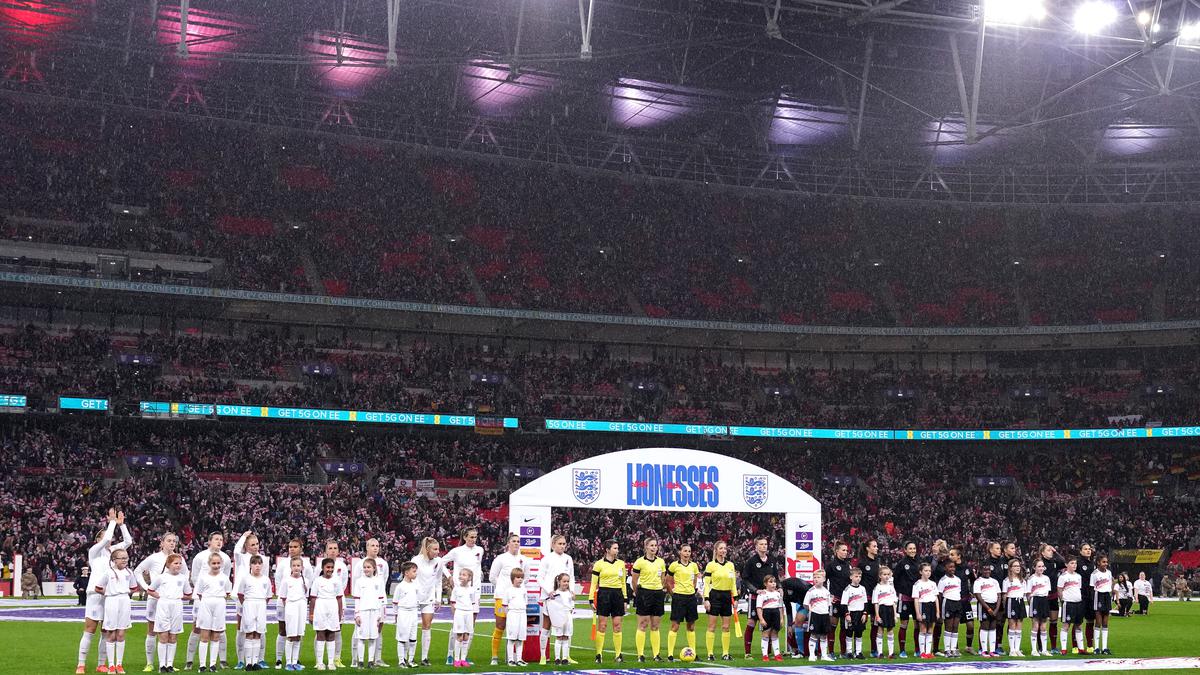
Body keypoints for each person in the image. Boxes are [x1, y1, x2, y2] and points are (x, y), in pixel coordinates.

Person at [78, 509, 133, 675]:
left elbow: (128, 541)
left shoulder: (113, 553)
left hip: (110, 596)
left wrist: (121, 525)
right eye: (103, 538)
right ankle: (81, 664)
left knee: (106, 631)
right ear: (97, 540)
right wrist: (112, 522)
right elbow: (108, 537)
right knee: (90, 629)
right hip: (95, 594)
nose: (109, 540)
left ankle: (102, 663)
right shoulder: (94, 553)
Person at [133, 532, 179, 673]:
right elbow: (137, 571)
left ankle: (167, 663)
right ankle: (150, 663)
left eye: (174, 541)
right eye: (169, 541)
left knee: (171, 631)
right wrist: (147, 588)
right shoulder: (154, 558)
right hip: (155, 599)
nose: (172, 543)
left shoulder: (178, 559)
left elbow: (185, 574)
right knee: (152, 630)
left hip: (171, 600)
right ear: (162, 543)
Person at [186, 533, 230, 671]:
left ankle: (221, 660)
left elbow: (226, 579)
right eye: (216, 539)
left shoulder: (226, 558)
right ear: (209, 541)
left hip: (217, 598)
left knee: (219, 630)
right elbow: (194, 577)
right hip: (203, 598)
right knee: (197, 628)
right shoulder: (200, 557)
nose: (219, 542)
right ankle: (190, 660)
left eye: (221, 540)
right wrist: (204, 592)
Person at [442, 528, 484, 666]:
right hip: (459, 592)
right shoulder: (457, 551)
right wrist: (449, 576)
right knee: (457, 625)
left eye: (475, 537)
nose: (473, 539)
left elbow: (477, 570)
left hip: (474, 591)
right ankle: (450, 654)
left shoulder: (480, 550)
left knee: (470, 625)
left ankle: (464, 657)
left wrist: (478, 586)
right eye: (471, 537)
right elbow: (440, 562)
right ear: (465, 537)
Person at [487, 534, 530, 666]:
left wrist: (516, 590)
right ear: (508, 543)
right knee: (500, 626)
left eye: (518, 541)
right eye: (513, 541)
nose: (516, 543)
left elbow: (526, 578)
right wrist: (504, 590)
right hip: (502, 597)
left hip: (517, 600)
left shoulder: (524, 560)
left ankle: (516, 658)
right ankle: (494, 656)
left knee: (516, 629)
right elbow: (492, 577)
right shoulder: (501, 558)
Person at [147, 553, 193, 672]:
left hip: (177, 606)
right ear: (168, 564)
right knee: (163, 636)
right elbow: (150, 590)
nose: (178, 565)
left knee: (173, 637)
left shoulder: (183, 578)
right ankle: (162, 665)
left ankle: (170, 664)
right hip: (163, 606)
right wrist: (161, 596)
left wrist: (177, 597)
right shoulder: (161, 577)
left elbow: (188, 594)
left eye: (180, 563)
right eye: (175, 563)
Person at [95, 548, 137, 675]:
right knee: (111, 633)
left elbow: (134, 587)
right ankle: (111, 665)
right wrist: (109, 593)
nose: (125, 560)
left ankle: (119, 664)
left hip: (124, 601)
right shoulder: (108, 573)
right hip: (111, 601)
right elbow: (98, 587)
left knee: (121, 633)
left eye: (126, 558)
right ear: (114, 560)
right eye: (122, 558)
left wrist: (124, 593)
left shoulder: (129, 572)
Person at [741, 536, 783, 659]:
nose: (764, 546)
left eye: (765, 544)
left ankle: (769, 652)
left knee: (770, 625)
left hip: (770, 598)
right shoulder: (751, 561)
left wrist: (779, 587)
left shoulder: (772, 560)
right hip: (756, 597)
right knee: (751, 622)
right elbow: (745, 579)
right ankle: (747, 652)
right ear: (756, 547)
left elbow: (776, 577)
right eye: (761, 544)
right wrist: (756, 590)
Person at [273, 539, 313, 670]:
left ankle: (296, 660)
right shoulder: (283, 564)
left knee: (298, 632)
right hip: (285, 601)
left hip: (299, 603)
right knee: (283, 630)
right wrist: (284, 599)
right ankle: (279, 659)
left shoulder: (306, 564)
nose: (292, 549)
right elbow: (278, 581)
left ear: (301, 548)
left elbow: (308, 583)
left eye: (295, 547)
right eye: (290, 546)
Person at [350, 538, 390, 668]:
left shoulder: (383, 563)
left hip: (379, 602)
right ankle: (356, 659)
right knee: (359, 632)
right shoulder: (360, 563)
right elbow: (356, 580)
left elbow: (383, 581)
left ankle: (376, 659)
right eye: (372, 545)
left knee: (378, 630)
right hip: (364, 604)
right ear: (367, 547)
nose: (375, 548)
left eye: (377, 545)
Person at [232, 533, 269, 670]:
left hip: (258, 598)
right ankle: (241, 660)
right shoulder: (241, 558)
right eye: (252, 544)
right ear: (246, 546)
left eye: (257, 544)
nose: (255, 547)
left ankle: (260, 659)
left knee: (260, 629)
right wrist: (243, 536)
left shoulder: (263, 559)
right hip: (242, 597)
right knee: (242, 628)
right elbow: (236, 550)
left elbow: (264, 579)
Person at [537, 535, 574, 665]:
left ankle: (566, 656)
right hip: (550, 597)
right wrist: (549, 591)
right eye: (559, 543)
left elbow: (572, 577)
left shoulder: (568, 559)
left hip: (565, 597)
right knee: (546, 626)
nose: (562, 546)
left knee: (566, 626)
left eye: (564, 544)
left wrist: (572, 591)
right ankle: (542, 656)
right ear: (553, 544)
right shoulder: (546, 559)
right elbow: (539, 578)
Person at [193, 553, 231, 673]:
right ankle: (203, 665)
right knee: (204, 635)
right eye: (213, 563)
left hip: (219, 604)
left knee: (216, 636)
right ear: (209, 564)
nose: (216, 565)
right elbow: (199, 593)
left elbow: (228, 592)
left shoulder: (224, 578)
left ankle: (213, 664)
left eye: (218, 563)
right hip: (206, 604)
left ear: (221, 564)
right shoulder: (203, 577)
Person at [631, 536, 667, 662]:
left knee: (655, 625)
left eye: (655, 546)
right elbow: (634, 581)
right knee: (643, 624)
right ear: (646, 547)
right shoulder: (639, 562)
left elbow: (663, 578)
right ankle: (640, 655)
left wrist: (659, 588)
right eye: (651, 545)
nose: (654, 548)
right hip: (644, 593)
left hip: (657, 594)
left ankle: (656, 655)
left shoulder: (661, 562)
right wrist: (639, 593)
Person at [591, 539, 627, 663]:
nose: (617, 550)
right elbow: (593, 584)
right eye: (614, 548)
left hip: (617, 595)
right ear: (607, 550)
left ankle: (618, 655)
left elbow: (623, 583)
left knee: (617, 625)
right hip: (604, 594)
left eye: (617, 548)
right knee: (602, 625)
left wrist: (625, 599)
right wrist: (591, 599)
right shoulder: (599, 564)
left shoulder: (621, 564)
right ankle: (599, 654)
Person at [410, 537, 444, 667]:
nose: (437, 552)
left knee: (427, 626)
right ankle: (409, 658)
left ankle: (424, 657)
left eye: (438, 549)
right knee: (411, 627)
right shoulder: (416, 560)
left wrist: (438, 598)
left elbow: (438, 580)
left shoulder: (439, 561)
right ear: (427, 549)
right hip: (415, 597)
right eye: (435, 549)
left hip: (429, 598)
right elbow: (410, 577)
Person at [702, 540, 738, 661]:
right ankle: (710, 654)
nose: (723, 550)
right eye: (721, 548)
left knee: (726, 626)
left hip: (727, 597)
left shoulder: (730, 565)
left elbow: (733, 583)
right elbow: (706, 584)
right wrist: (706, 599)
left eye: (725, 548)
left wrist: (735, 597)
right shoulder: (711, 565)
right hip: (715, 596)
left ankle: (725, 653)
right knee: (712, 626)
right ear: (716, 550)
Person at [666, 543, 700, 661]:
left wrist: (692, 591)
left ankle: (693, 653)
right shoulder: (674, 565)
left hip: (690, 598)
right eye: (685, 551)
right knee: (675, 626)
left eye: (689, 551)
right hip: (679, 598)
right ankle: (670, 654)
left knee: (691, 626)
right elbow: (668, 581)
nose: (687, 553)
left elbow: (695, 581)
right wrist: (673, 595)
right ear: (680, 552)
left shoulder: (694, 566)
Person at [309, 557, 345, 671]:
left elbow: (339, 598)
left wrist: (340, 613)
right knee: (320, 633)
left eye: (331, 567)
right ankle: (319, 662)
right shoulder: (317, 581)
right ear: (323, 568)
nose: (330, 569)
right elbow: (313, 598)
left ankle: (330, 662)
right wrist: (311, 614)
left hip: (333, 607)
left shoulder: (337, 581)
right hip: (320, 607)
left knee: (331, 634)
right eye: (328, 567)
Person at [318, 541, 350, 669]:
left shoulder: (342, 566)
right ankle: (318, 660)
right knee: (320, 631)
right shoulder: (320, 566)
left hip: (338, 601)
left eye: (335, 548)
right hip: (323, 602)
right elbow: (317, 582)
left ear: (338, 551)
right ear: (326, 551)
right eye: (330, 548)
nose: (332, 550)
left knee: (337, 630)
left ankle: (336, 659)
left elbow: (344, 584)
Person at [280, 557, 309, 671]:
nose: (296, 568)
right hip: (291, 607)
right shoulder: (286, 580)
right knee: (291, 635)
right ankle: (288, 662)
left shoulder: (305, 580)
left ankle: (295, 661)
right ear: (291, 567)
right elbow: (283, 597)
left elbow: (306, 594)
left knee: (298, 635)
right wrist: (289, 608)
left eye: (298, 566)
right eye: (294, 566)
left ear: (302, 567)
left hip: (301, 607)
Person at [824, 542, 852, 657]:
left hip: (846, 601)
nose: (846, 552)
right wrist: (828, 595)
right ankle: (830, 652)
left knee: (844, 627)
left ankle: (843, 652)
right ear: (837, 551)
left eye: (846, 550)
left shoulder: (848, 565)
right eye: (843, 550)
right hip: (835, 600)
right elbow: (824, 581)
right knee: (832, 626)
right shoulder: (830, 565)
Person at [893, 542, 920, 658]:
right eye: (910, 549)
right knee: (904, 624)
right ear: (905, 550)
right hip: (905, 598)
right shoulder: (902, 563)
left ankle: (917, 649)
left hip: (917, 599)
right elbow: (895, 579)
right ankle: (902, 650)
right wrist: (901, 591)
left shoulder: (920, 562)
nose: (912, 550)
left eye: (914, 548)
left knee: (917, 624)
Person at [1037, 543, 1065, 653]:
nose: (1051, 552)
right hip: (1043, 596)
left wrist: (1056, 551)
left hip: (1053, 595)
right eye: (1048, 550)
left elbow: (1063, 562)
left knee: (1054, 621)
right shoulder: (1040, 564)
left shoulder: (1055, 562)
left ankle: (1053, 647)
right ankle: (1040, 647)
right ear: (1042, 553)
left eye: (1051, 550)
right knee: (1041, 621)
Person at [393, 562, 421, 667]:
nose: (416, 573)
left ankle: (411, 659)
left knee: (413, 637)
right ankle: (401, 660)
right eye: (414, 571)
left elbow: (418, 598)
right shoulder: (400, 587)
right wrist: (396, 615)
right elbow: (395, 602)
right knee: (402, 638)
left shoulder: (415, 585)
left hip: (414, 612)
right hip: (403, 612)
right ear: (406, 573)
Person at [802, 569, 833, 662]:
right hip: (815, 615)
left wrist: (828, 614)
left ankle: (824, 655)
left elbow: (829, 604)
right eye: (814, 577)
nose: (816, 579)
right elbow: (805, 604)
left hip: (825, 615)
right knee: (814, 634)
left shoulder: (826, 592)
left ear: (824, 579)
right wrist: (811, 610)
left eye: (818, 577)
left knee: (824, 635)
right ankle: (812, 655)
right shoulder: (810, 591)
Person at [449, 568, 478, 667]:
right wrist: (455, 613)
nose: (461, 576)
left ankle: (463, 659)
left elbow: (473, 602)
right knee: (459, 636)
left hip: (469, 613)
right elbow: (453, 602)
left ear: (469, 578)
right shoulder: (456, 589)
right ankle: (456, 659)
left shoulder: (472, 590)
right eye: (460, 574)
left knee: (466, 636)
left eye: (464, 575)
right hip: (459, 613)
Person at [857, 539, 881, 657]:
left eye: (877, 546)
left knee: (875, 624)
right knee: (861, 624)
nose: (877, 548)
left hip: (876, 598)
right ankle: (858, 650)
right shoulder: (861, 563)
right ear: (868, 548)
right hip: (865, 598)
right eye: (874, 546)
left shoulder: (877, 561)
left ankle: (873, 650)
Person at [973, 560, 1001, 658]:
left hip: (994, 606)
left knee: (993, 627)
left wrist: (996, 609)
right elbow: (978, 596)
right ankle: (984, 650)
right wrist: (988, 609)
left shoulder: (994, 581)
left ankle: (992, 650)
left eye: (988, 569)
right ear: (981, 570)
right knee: (984, 627)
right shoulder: (978, 581)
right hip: (984, 606)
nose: (987, 571)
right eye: (984, 570)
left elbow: (999, 595)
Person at [546, 573, 575, 665]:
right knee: (559, 637)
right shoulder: (554, 593)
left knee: (566, 637)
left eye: (567, 581)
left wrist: (572, 606)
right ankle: (557, 658)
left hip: (567, 616)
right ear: (559, 582)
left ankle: (565, 658)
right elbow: (551, 606)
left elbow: (572, 605)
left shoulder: (570, 593)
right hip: (558, 617)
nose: (566, 583)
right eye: (564, 581)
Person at [1058, 557, 1085, 654]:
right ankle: (1063, 649)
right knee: (1066, 625)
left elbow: (1079, 588)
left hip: (1078, 602)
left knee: (1078, 625)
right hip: (1068, 603)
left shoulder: (1078, 576)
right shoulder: (1063, 577)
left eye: (1075, 563)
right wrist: (1063, 600)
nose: (1074, 565)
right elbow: (1059, 590)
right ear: (1066, 564)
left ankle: (1081, 648)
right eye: (1072, 563)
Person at [502, 568, 529, 666]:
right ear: (512, 578)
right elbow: (504, 605)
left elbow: (525, 603)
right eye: (518, 577)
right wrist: (508, 616)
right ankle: (510, 660)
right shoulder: (508, 591)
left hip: (522, 614)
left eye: (522, 577)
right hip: (512, 614)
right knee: (512, 638)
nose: (520, 579)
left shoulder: (524, 590)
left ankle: (519, 659)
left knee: (520, 638)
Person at [935, 560, 962, 658]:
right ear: (945, 568)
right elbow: (940, 595)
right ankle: (947, 650)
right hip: (948, 603)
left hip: (957, 603)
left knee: (955, 627)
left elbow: (958, 591)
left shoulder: (958, 579)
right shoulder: (943, 580)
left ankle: (953, 649)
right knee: (948, 627)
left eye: (953, 567)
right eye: (950, 567)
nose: (952, 569)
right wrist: (941, 608)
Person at [840, 568, 869, 659]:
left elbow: (865, 602)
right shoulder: (847, 589)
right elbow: (843, 604)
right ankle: (849, 652)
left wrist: (864, 613)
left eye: (860, 576)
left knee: (859, 633)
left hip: (860, 613)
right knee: (849, 632)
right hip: (851, 613)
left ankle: (858, 652)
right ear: (851, 577)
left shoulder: (862, 588)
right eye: (856, 576)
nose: (858, 578)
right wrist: (847, 614)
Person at [912, 562, 939, 659]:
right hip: (923, 605)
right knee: (923, 629)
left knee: (930, 629)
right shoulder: (917, 584)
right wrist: (918, 613)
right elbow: (916, 599)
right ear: (920, 572)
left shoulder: (933, 584)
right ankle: (922, 652)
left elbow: (936, 598)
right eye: (926, 571)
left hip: (932, 606)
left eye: (929, 571)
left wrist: (937, 611)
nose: (928, 573)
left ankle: (928, 652)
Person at [756, 575, 785, 661]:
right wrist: (761, 619)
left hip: (776, 613)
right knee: (766, 633)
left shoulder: (777, 594)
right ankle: (765, 655)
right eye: (771, 582)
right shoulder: (762, 594)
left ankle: (777, 654)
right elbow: (759, 607)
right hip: (766, 613)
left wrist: (781, 618)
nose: (773, 584)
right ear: (765, 584)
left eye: (774, 582)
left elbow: (780, 607)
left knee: (775, 633)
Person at [1001, 559, 1027, 657]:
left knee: (1019, 625)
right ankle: (1012, 650)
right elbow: (1004, 595)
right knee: (1012, 625)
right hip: (1011, 602)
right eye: (1015, 566)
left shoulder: (1023, 581)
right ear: (1010, 568)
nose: (1017, 568)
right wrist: (1005, 606)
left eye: (1018, 566)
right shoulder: (1007, 581)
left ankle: (1017, 649)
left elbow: (1024, 593)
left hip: (1020, 602)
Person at [1027, 558, 1053, 656]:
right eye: (1039, 566)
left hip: (1044, 600)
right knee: (1035, 625)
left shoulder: (1046, 578)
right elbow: (1028, 594)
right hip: (1035, 600)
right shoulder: (1031, 579)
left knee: (1043, 626)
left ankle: (1044, 650)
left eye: (1042, 566)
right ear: (1034, 567)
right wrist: (1032, 604)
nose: (1041, 568)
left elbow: (1047, 592)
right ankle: (1034, 650)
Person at [872, 565, 898, 659]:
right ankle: (880, 653)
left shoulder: (891, 587)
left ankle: (891, 653)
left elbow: (894, 602)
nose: (886, 576)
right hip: (882, 609)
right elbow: (876, 603)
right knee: (880, 630)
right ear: (880, 575)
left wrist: (895, 615)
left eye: (888, 574)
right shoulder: (877, 588)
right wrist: (877, 615)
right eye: (884, 574)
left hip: (890, 609)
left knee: (890, 630)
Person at [1089, 554, 1113, 654]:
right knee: (1098, 622)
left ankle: (1104, 648)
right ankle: (1096, 648)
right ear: (1098, 562)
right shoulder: (1094, 574)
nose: (1105, 564)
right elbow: (1091, 588)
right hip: (1098, 595)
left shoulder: (1109, 573)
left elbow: (1110, 585)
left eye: (1106, 562)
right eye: (1103, 562)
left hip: (1107, 596)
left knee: (1105, 623)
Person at [1076, 543, 1097, 651]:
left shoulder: (1093, 564)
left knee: (1090, 621)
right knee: (1078, 622)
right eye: (1085, 549)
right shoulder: (1078, 563)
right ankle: (1076, 646)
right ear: (1080, 551)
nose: (1088, 551)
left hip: (1091, 596)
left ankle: (1089, 645)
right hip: (1080, 596)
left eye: (1089, 549)